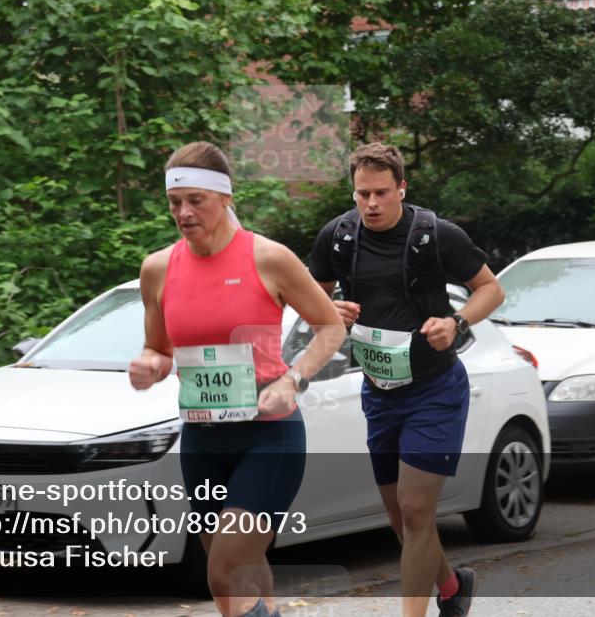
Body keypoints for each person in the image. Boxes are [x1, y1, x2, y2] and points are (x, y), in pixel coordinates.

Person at [128, 141, 346, 617]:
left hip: (269, 435)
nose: (184, 213)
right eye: (174, 202)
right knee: (242, 569)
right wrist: (149, 365)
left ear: (225, 197)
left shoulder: (269, 258)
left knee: (223, 571)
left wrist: (293, 380)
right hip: (202, 439)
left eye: (196, 200)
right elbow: (159, 349)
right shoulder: (158, 269)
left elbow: (331, 327)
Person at [309, 143, 505, 617]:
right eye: (363, 194)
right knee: (400, 517)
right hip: (379, 391)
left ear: (401, 188)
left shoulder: (436, 235)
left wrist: (456, 323)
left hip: (435, 390)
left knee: (416, 510)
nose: (372, 203)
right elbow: (312, 296)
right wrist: (329, 308)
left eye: (381, 193)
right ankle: (453, 587)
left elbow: (491, 288)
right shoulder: (338, 237)